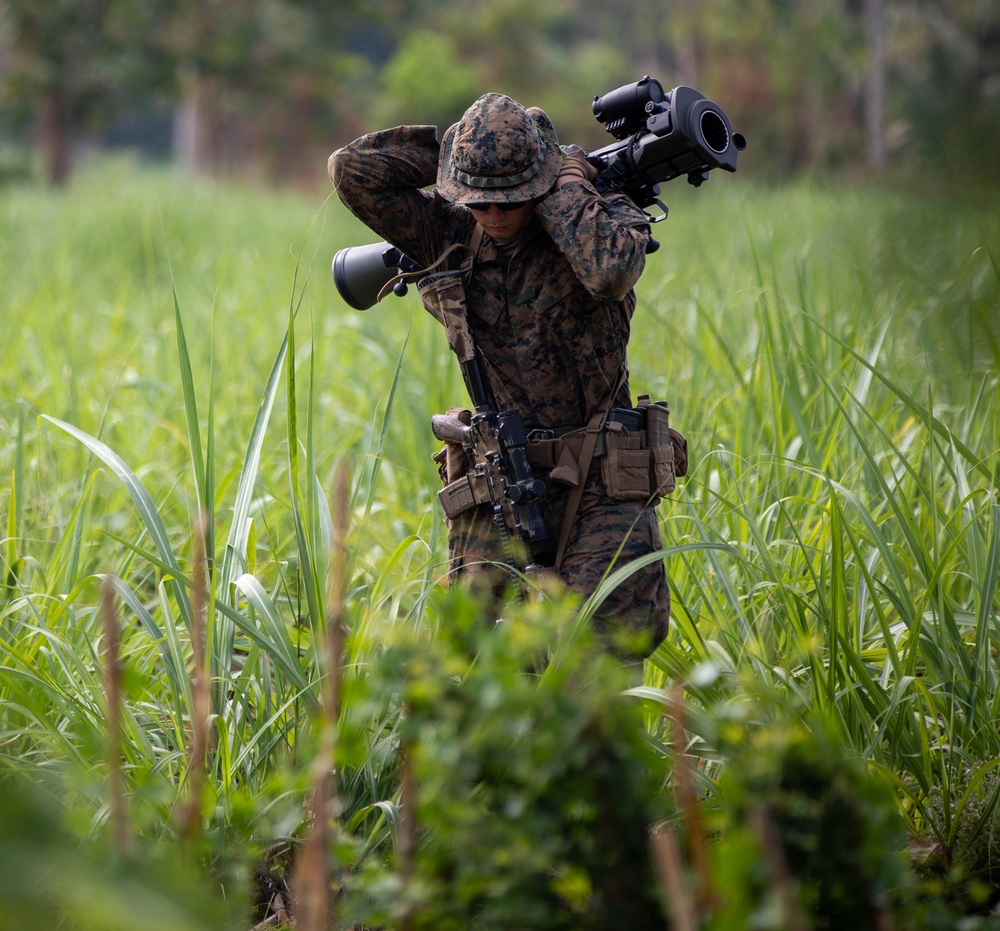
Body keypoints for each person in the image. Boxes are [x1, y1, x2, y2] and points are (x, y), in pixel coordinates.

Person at [329, 92, 677, 659]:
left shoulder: (595, 211)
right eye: (479, 203)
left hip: (601, 477)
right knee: (478, 660)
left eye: (508, 201)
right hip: (501, 475)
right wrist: (461, 152)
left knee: (599, 651)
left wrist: (566, 183)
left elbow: (610, 272)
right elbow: (352, 170)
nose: (492, 217)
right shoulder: (447, 230)